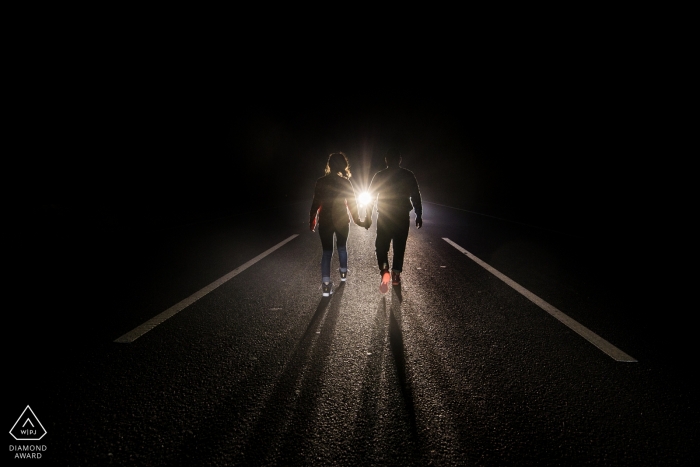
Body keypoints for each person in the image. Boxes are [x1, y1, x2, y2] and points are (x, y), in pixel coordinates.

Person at [309, 152, 369, 297]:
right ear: (343, 166)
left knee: (327, 252)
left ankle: (325, 285)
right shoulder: (345, 182)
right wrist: (359, 221)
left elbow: (316, 202)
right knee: (342, 248)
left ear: (328, 165)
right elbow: (352, 204)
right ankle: (343, 274)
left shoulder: (321, 182)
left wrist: (312, 219)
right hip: (342, 220)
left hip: (325, 221)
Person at [367, 147, 422, 293]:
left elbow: (371, 197)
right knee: (399, 246)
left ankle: (384, 268)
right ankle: (396, 274)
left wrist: (367, 216)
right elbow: (416, 196)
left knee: (381, 246)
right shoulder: (408, 175)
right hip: (402, 216)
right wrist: (419, 214)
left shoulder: (380, 175)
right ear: (400, 160)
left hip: (385, 216)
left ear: (386, 160)